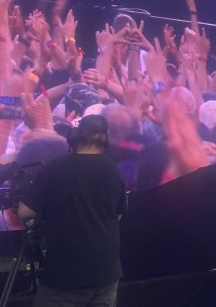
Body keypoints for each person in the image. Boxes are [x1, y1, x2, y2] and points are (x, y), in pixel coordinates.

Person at [18, 115, 128, 306]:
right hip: (106, 273)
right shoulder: (114, 170)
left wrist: (41, 223)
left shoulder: (54, 169)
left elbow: (25, 213)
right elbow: (117, 215)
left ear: (75, 137)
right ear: (105, 140)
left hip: (65, 276)